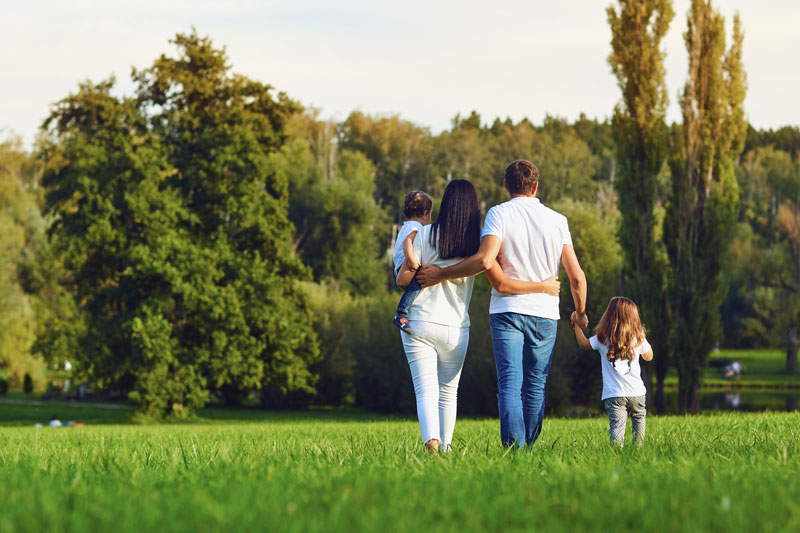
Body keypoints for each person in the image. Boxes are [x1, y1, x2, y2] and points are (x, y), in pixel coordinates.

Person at [417, 160, 587, 448]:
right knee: (535, 385)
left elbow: (485, 261)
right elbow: (577, 277)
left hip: (507, 311)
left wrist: (441, 274)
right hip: (545, 313)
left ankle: (513, 449)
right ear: (535, 186)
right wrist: (580, 313)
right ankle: (527, 448)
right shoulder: (558, 221)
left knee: (510, 383)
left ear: (506, 186)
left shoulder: (499, 214)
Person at [396, 179, 560, 454]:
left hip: (419, 320)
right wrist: (541, 285)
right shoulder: (478, 244)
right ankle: (446, 449)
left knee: (425, 389)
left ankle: (431, 443)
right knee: (448, 393)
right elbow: (493, 271)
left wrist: (411, 249)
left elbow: (404, 280)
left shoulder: (424, 236)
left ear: (445, 204)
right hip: (456, 326)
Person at [570, 297, 654, 447]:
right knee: (639, 418)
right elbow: (649, 357)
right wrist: (641, 339)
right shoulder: (638, 338)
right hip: (637, 393)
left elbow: (583, 344)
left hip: (614, 394)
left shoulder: (602, 339)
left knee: (617, 426)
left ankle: (616, 452)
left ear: (608, 316)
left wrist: (576, 324)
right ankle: (638, 448)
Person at [391, 190, 433, 334]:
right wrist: (411, 259)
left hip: (398, 266)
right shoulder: (417, 228)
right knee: (421, 280)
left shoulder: (406, 226)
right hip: (405, 266)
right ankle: (401, 313)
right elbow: (407, 243)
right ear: (425, 213)